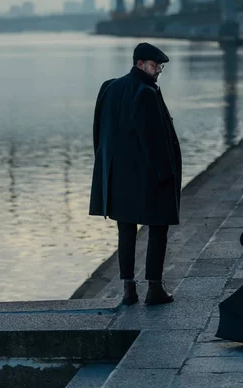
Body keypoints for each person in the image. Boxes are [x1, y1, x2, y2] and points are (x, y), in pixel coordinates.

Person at [89, 42, 182, 306]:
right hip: (149, 176)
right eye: (155, 66)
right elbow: (153, 140)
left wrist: (103, 167)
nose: (158, 71)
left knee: (126, 230)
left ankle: (128, 290)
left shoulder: (109, 87)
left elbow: (99, 133)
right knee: (158, 227)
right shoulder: (146, 93)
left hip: (116, 177)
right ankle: (154, 289)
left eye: (160, 67)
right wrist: (166, 175)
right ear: (140, 64)